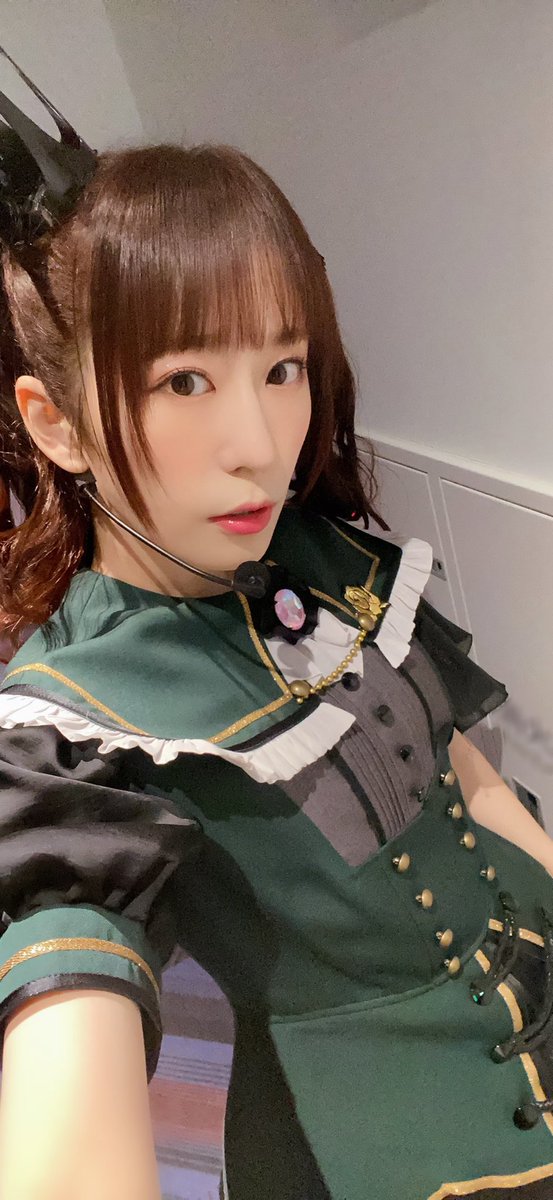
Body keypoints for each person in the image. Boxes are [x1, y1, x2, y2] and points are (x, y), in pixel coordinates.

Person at [1, 56, 553, 1200]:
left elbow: (469, 782)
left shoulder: (319, 555)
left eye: (283, 366)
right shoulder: (70, 731)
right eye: (182, 382)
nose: (261, 445)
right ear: (56, 425)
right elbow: (67, 1043)